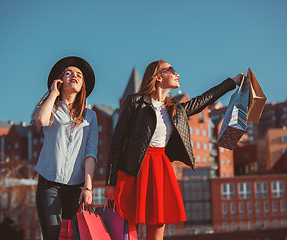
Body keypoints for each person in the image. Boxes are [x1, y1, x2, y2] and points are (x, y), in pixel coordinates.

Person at [104, 60, 244, 239]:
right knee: (130, 224)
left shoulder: (176, 110)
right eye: (171, 70)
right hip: (135, 168)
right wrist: (110, 182)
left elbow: (204, 99)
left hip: (160, 167)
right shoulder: (135, 102)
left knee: (158, 222)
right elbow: (117, 142)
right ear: (157, 76)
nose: (176, 73)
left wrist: (232, 82)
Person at [31, 56, 98, 240]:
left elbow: (90, 153)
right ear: (60, 81)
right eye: (68, 73)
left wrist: (88, 187)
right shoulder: (50, 108)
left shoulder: (90, 116)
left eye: (78, 75)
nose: (74, 76)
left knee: (73, 236)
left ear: (83, 84)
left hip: (76, 187)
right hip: (49, 184)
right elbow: (41, 120)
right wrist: (53, 93)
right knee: (53, 235)